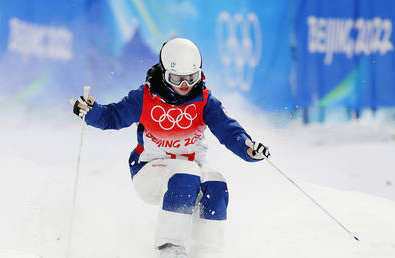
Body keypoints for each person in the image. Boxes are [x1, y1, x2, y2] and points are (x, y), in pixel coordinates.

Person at [72, 38, 270, 258]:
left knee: (216, 183)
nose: (184, 86)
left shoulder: (204, 101)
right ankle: (170, 249)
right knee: (186, 173)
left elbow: (229, 131)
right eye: (176, 78)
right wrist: (92, 112)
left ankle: (208, 251)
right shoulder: (145, 98)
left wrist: (248, 149)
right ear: (165, 75)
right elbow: (112, 117)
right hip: (149, 172)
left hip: (191, 174)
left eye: (191, 78)